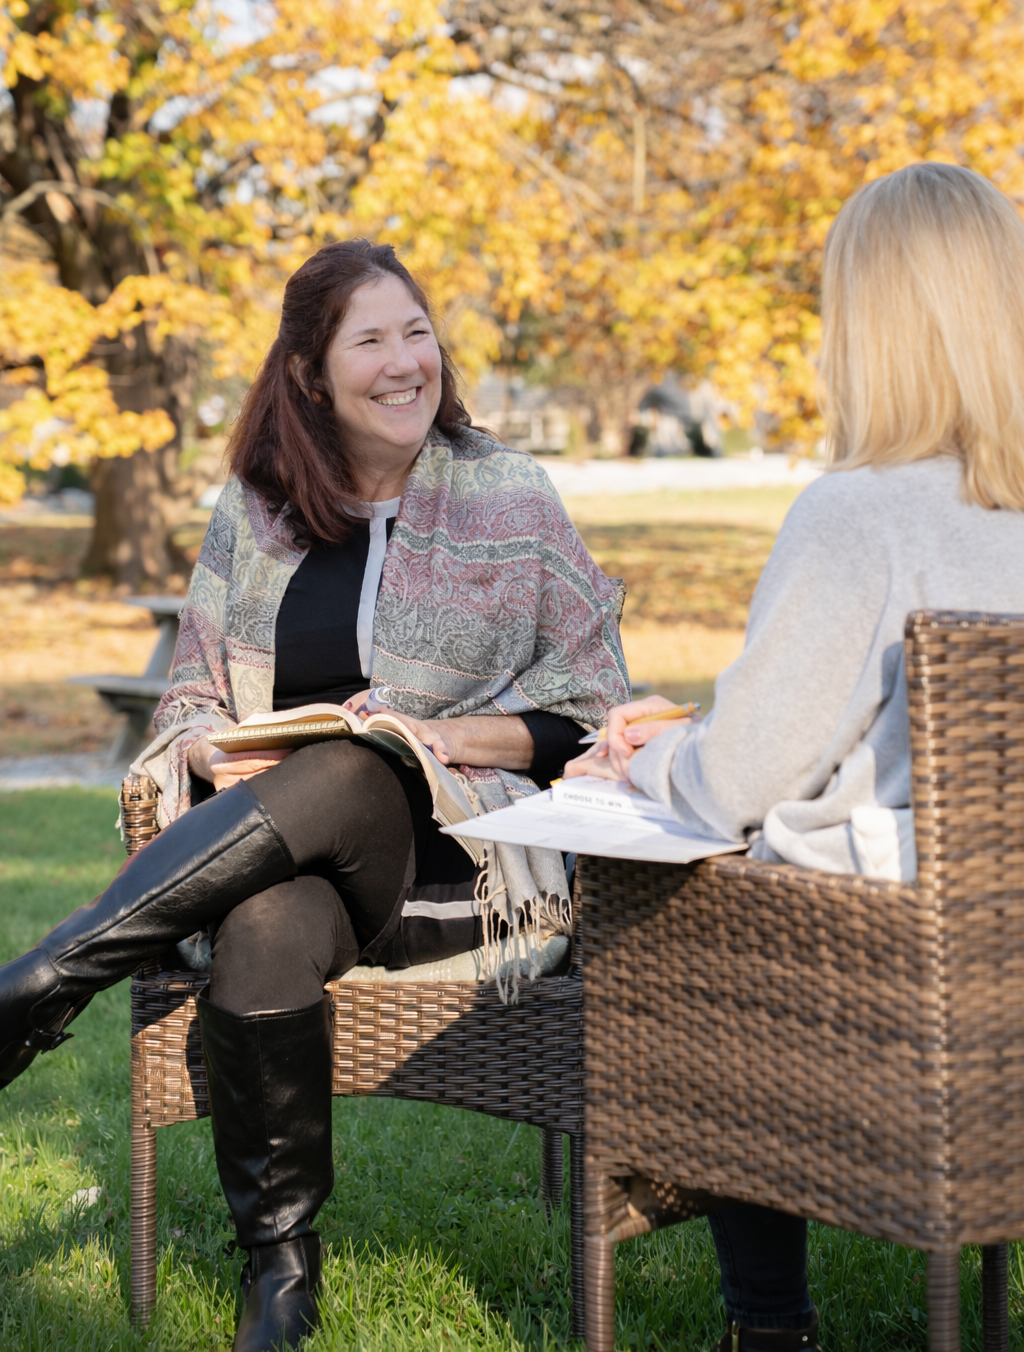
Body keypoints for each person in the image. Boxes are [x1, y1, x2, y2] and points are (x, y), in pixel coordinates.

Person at [0, 241, 629, 1352]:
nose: (403, 362)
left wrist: (431, 736)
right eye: (370, 340)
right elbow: (187, 692)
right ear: (311, 371)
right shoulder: (255, 509)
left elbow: (591, 707)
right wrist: (210, 754)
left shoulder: (510, 495)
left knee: (351, 760)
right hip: (282, 850)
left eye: (416, 331)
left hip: (460, 858)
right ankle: (281, 1267)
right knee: (259, 916)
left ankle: (49, 978)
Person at [566, 162, 1024, 1351]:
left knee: (671, 895)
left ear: (867, 324)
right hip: (1005, 952)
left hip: (897, 966)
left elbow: (740, 779)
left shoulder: (857, 514)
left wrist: (648, 756)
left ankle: (767, 1324)